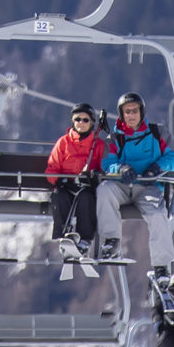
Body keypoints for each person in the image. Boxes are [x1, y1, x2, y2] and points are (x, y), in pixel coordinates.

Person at [101, 90, 174, 269]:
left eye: (134, 111)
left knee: (157, 213)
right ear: (122, 114)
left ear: (142, 112)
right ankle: (111, 240)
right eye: (127, 111)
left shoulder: (156, 133)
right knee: (104, 190)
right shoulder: (116, 138)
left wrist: (158, 167)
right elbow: (107, 162)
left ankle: (162, 265)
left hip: (147, 187)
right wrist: (120, 168)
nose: (131, 115)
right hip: (122, 186)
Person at [43, 103, 110, 260]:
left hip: (86, 187)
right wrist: (60, 180)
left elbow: (105, 167)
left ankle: (85, 240)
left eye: (85, 120)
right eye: (77, 119)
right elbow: (52, 168)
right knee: (60, 197)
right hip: (66, 185)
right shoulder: (64, 143)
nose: (81, 123)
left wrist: (94, 176)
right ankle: (64, 236)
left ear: (92, 122)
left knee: (86, 198)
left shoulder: (98, 145)